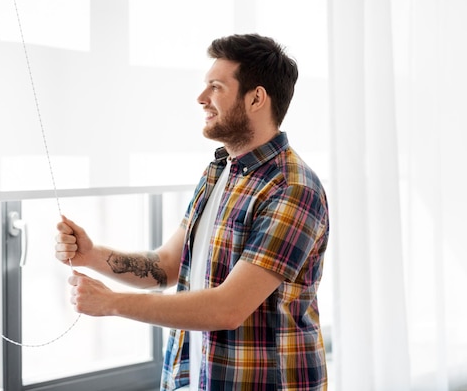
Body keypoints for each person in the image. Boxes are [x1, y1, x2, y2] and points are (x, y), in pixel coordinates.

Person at [55, 33, 330, 391]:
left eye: (216, 87)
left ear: (256, 98)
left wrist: (111, 303)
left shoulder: (292, 188)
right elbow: (168, 264)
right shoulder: (219, 172)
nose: (201, 99)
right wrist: (92, 256)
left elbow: (227, 309)